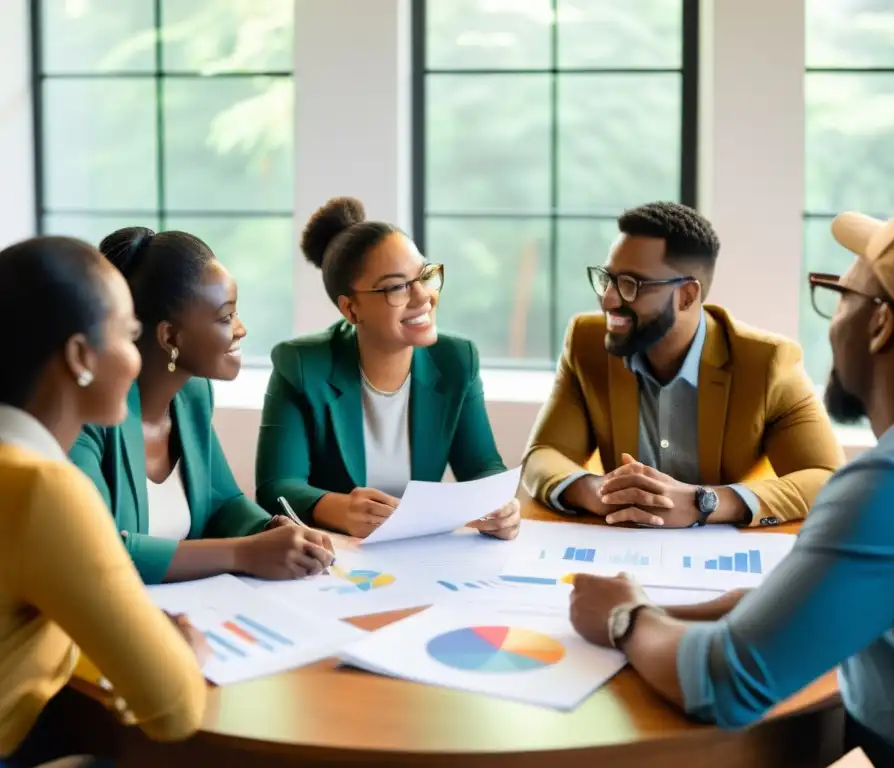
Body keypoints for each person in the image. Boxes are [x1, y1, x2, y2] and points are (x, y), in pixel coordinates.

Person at [568, 204, 894, 767]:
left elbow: (722, 683)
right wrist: (667, 604)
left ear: (880, 325)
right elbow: (833, 597)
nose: (833, 323)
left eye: (842, 296)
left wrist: (625, 619)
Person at [0, 236, 207, 768]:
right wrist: (178, 650)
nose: (139, 359)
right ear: (80, 357)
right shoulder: (44, 489)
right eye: (129, 336)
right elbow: (176, 708)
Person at [523, 202, 842, 528]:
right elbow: (543, 454)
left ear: (687, 295)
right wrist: (598, 491)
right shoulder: (586, 343)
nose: (607, 299)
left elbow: (829, 479)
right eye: (607, 279)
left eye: (631, 284)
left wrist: (704, 502)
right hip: (621, 546)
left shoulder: (766, 363)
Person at [69, 227, 335, 586]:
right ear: (170, 337)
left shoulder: (193, 395)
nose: (241, 329)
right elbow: (97, 552)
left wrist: (269, 528)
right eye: (226, 317)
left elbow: (222, 503)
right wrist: (245, 552)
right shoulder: (87, 416)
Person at [255, 197, 519, 539]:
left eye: (424, 275)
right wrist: (340, 508)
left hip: (421, 552)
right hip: (336, 555)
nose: (423, 296)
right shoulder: (301, 364)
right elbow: (276, 486)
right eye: (397, 287)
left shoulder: (456, 359)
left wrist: (498, 503)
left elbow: (482, 465)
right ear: (351, 310)